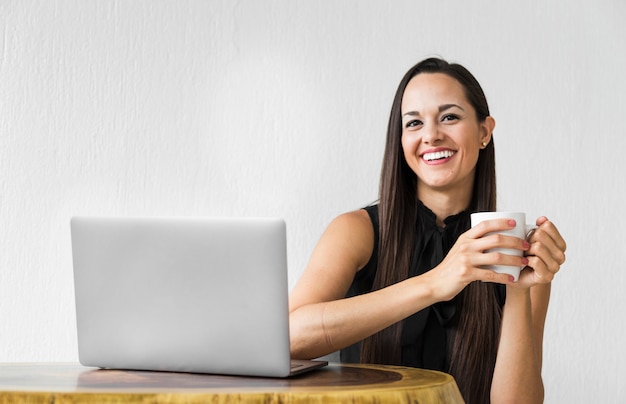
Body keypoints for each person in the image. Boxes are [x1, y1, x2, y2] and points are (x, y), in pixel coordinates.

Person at [288, 57, 567, 404]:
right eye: (414, 122)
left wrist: (519, 291)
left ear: (484, 131)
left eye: (449, 117)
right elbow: (289, 338)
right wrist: (435, 282)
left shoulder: (515, 251)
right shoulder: (356, 230)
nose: (431, 135)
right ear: (401, 139)